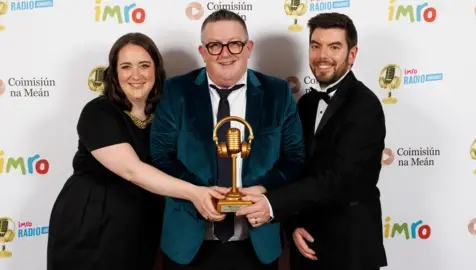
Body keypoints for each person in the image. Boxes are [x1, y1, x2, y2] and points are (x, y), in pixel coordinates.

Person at [46, 32, 229, 270]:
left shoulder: (164, 114)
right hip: (91, 220)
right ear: (114, 72)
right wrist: (196, 193)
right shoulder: (98, 112)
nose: (135, 75)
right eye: (126, 67)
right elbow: (133, 171)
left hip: (141, 221)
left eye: (144, 65)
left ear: (156, 70)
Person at [149, 9, 305, 270]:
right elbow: (161, 155)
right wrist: (198, 194)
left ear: (248, 48)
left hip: (257, 241)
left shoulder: (277, 93)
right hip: (187, 241)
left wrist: (264, 190)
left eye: (234, 44)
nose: (225, 53)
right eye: (214, 45)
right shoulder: (176, 91)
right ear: (202, 51)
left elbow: (294, 157)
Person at [237, 12, 388, 270]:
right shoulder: (306, 104)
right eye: (316, 45)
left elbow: (340, 179)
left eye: (334, 47)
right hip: (306, 244)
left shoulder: (365, 106)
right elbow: (298, 169)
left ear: (352, 55)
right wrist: (293, 223)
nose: (322, 55)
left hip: (349, 249)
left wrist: (273, 204)